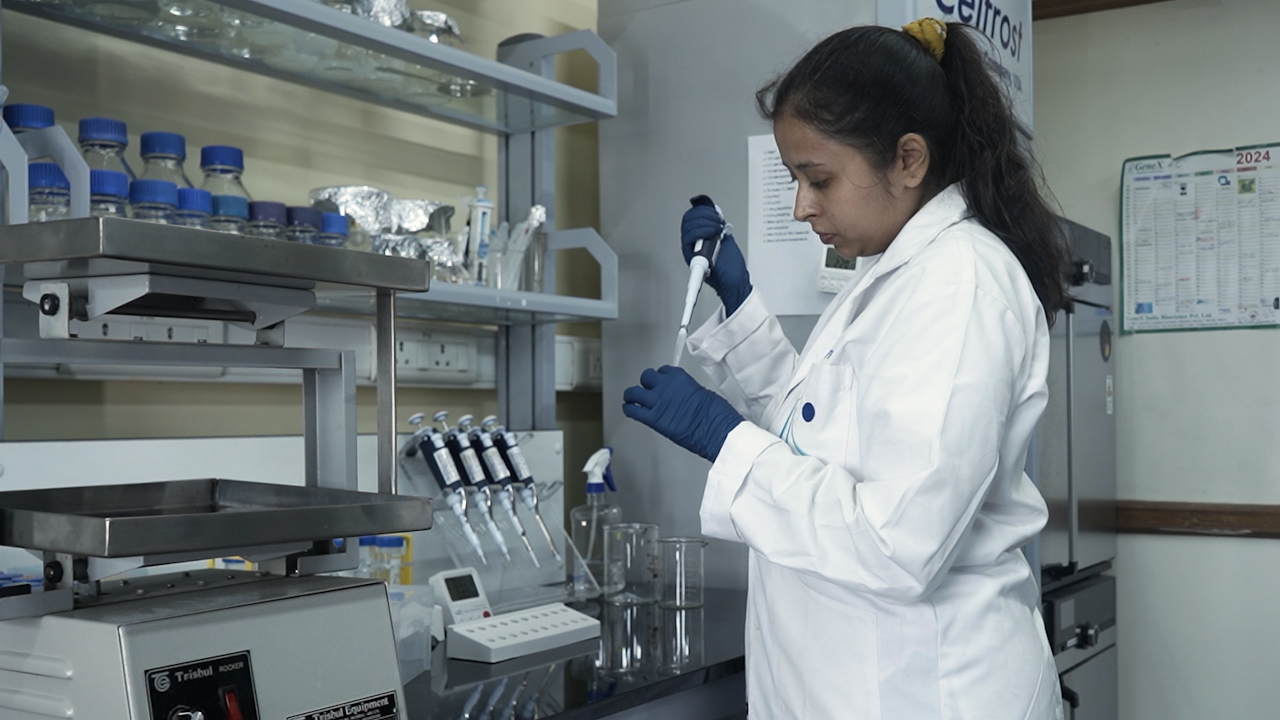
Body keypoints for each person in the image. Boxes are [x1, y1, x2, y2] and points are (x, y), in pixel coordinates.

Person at [621, 18, 1068, 720]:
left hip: (929, 692)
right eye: (795, 179)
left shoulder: (961, 285)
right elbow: (826, 428)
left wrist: (725, 439)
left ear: (909, 160)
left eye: (818, 178)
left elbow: (897, 545)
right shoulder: (898, 271)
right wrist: (740, 308)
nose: (802, 206)